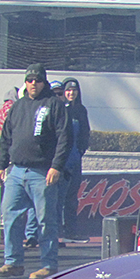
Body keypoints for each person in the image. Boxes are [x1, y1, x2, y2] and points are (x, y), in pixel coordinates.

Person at [0, 63, 71, 279]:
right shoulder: (18, 107)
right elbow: (6, 137)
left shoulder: (54, 105)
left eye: (37, 80)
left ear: (44, 81)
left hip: (42, 172)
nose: (33, 83)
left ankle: (48, 264)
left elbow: (65, 138)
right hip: (16, 171)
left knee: (46, 220)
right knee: (10, 217)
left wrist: (56, 166)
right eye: (29, 80)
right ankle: (13, 262)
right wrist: (1, 165)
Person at [58, 78, 92, 240]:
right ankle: (56, 233)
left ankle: (71, 232)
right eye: (68, 90)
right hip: (59, 162)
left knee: (72, 198)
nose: (71, 93)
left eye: (74, 90)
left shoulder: (81, 110)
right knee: (58, 198)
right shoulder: (58, 109)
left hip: (75, 160)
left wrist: (79, 151)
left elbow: (85, 133)